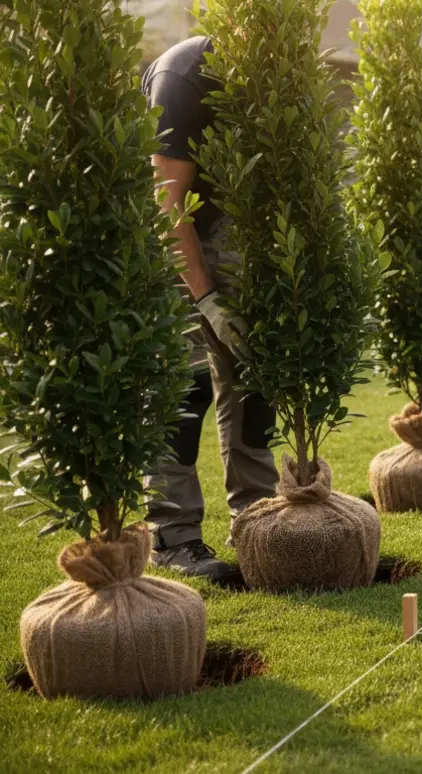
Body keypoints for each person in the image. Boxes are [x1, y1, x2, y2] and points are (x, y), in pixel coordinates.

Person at [142, 35, 278, 580]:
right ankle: (173, 539)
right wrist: (206, 300)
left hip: (231, 227)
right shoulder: (183, 80)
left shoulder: (277, 73)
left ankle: (256, 518)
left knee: (253, 376)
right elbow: (166, 207)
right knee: (187, 382)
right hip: (165, 234)